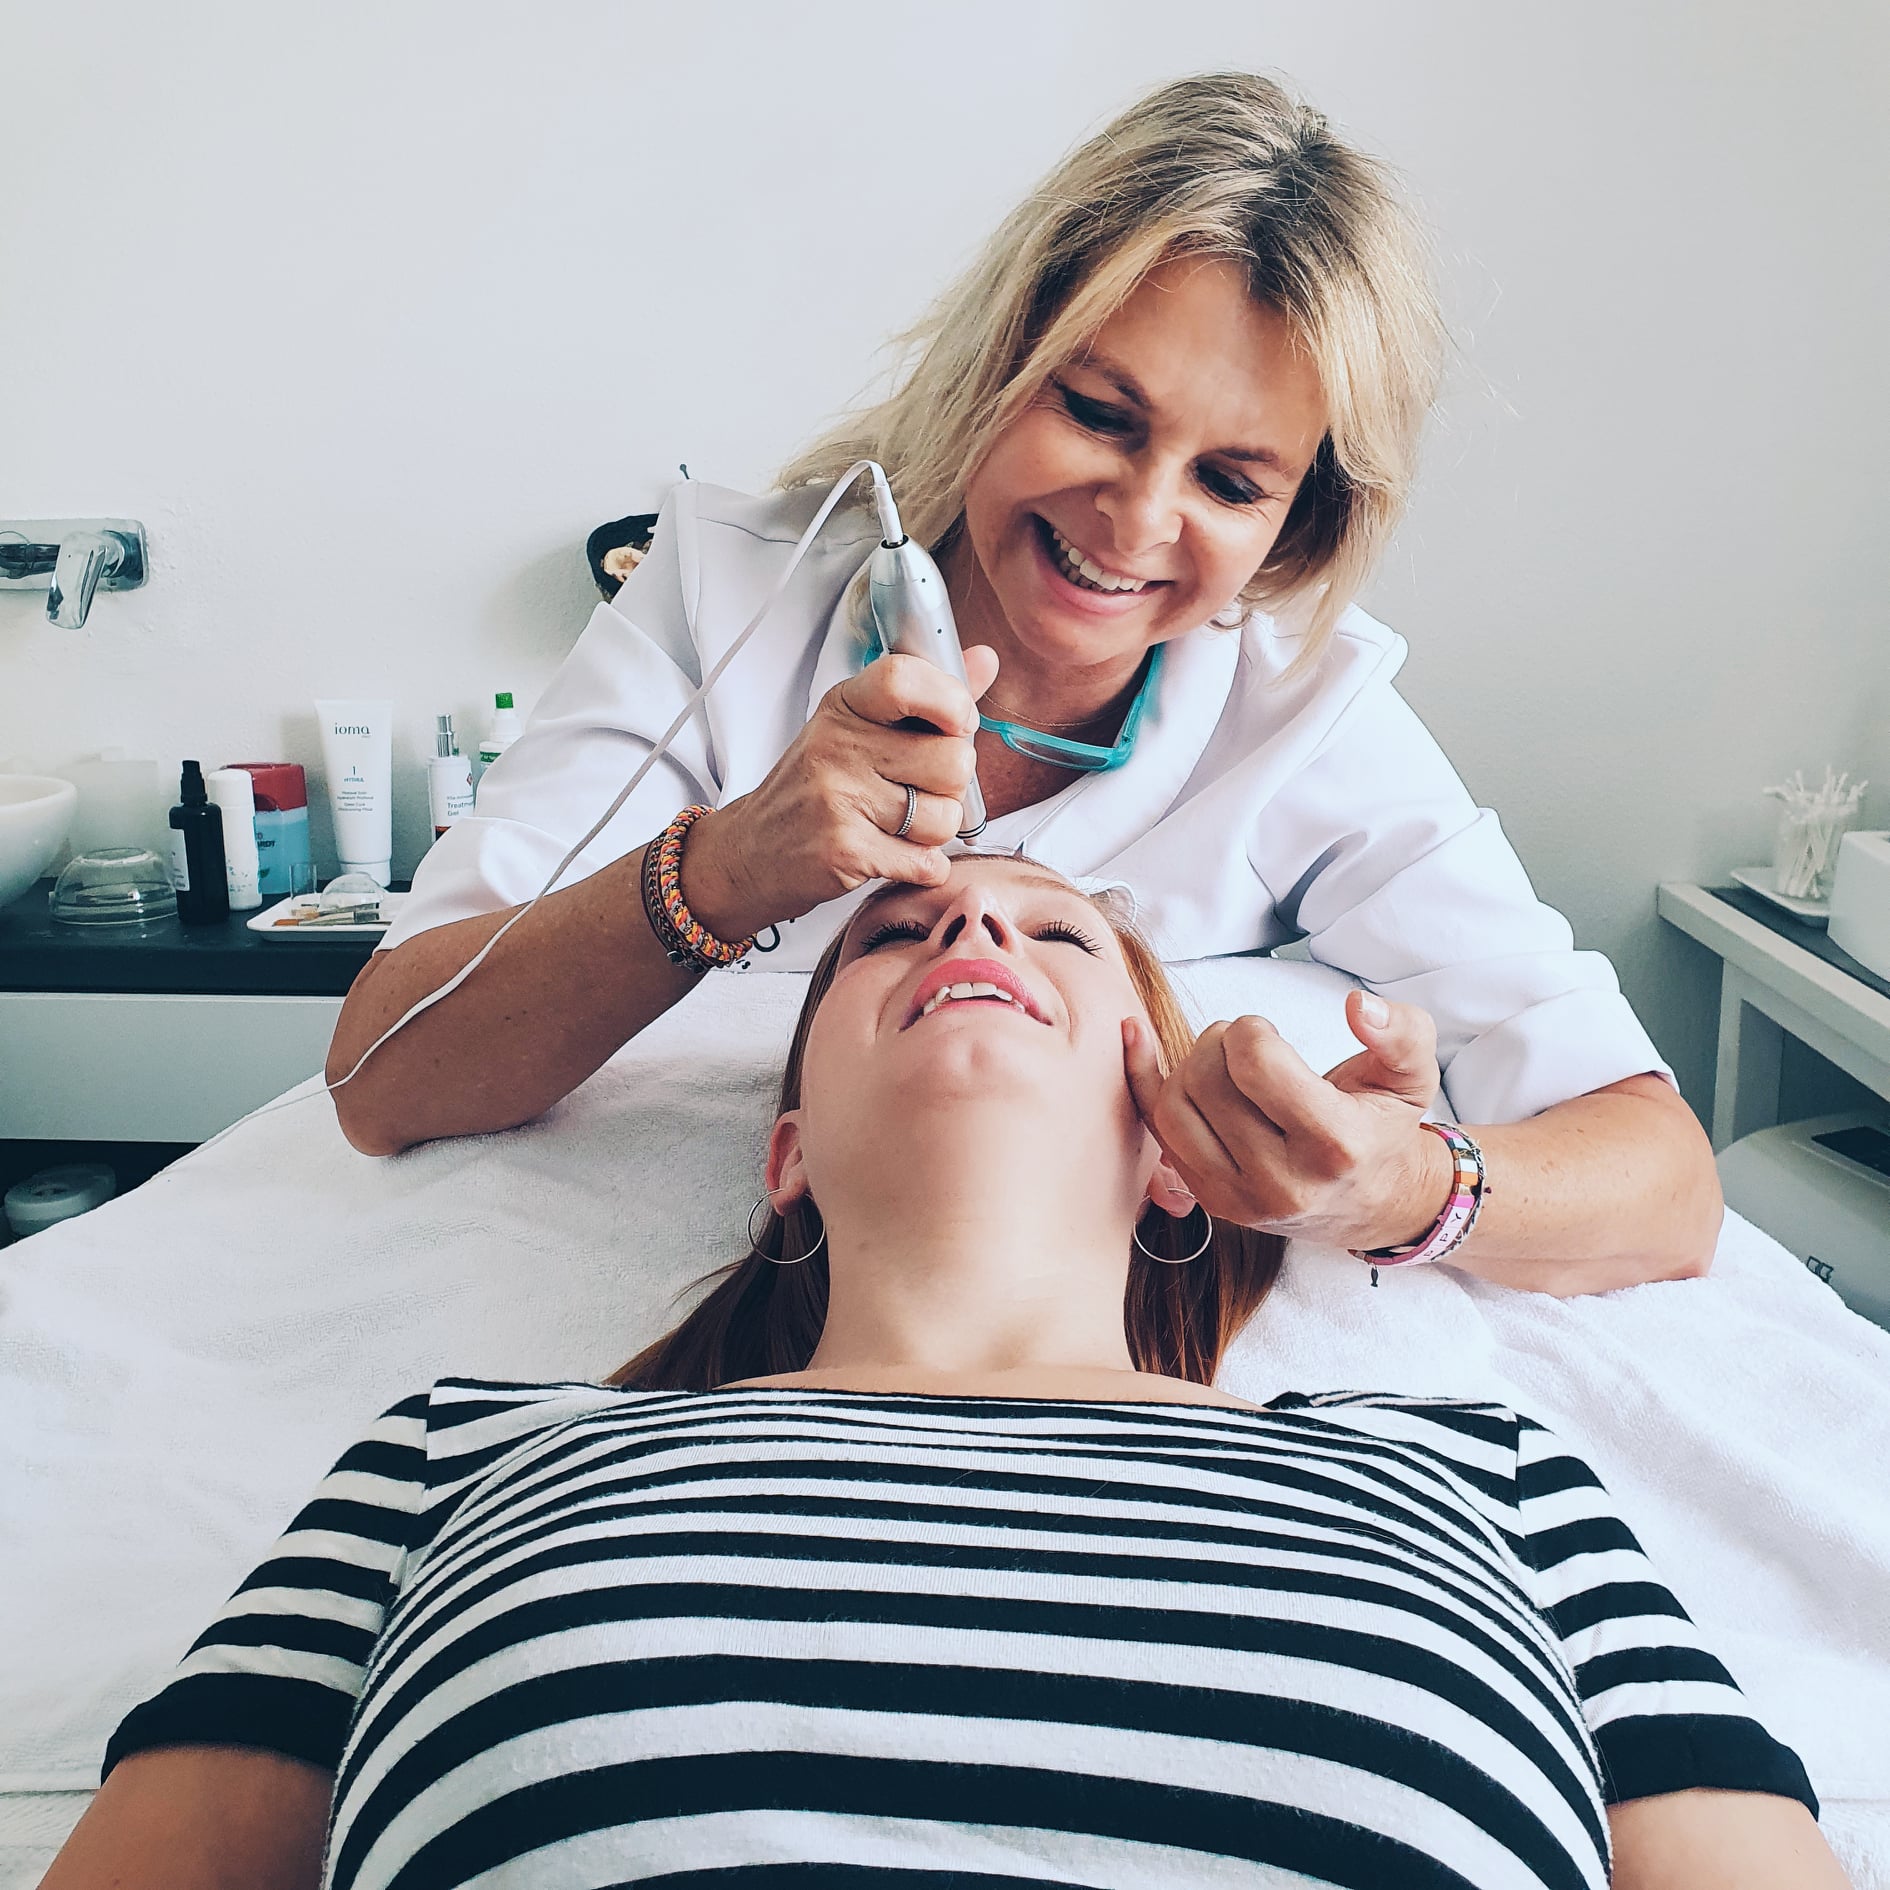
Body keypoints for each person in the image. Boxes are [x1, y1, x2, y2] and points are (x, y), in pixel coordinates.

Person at [52, 856, 1838, 1889]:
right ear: (787, 1152)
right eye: (894, 935)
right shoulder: (461, 1451)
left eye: (1054, 935)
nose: (974, 934)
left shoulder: (1480, 1474)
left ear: (1173, 1152)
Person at [327, 71, 1719, 1296]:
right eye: (1097, 415)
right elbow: (384, 1080)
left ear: (1293, 527)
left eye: (1229, 481)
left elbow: (1662, 1184)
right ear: (997, 366)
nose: (1133, 521)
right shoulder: (725, 591)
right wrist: (732, 867)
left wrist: (1403, 1187)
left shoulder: (1307, 713)